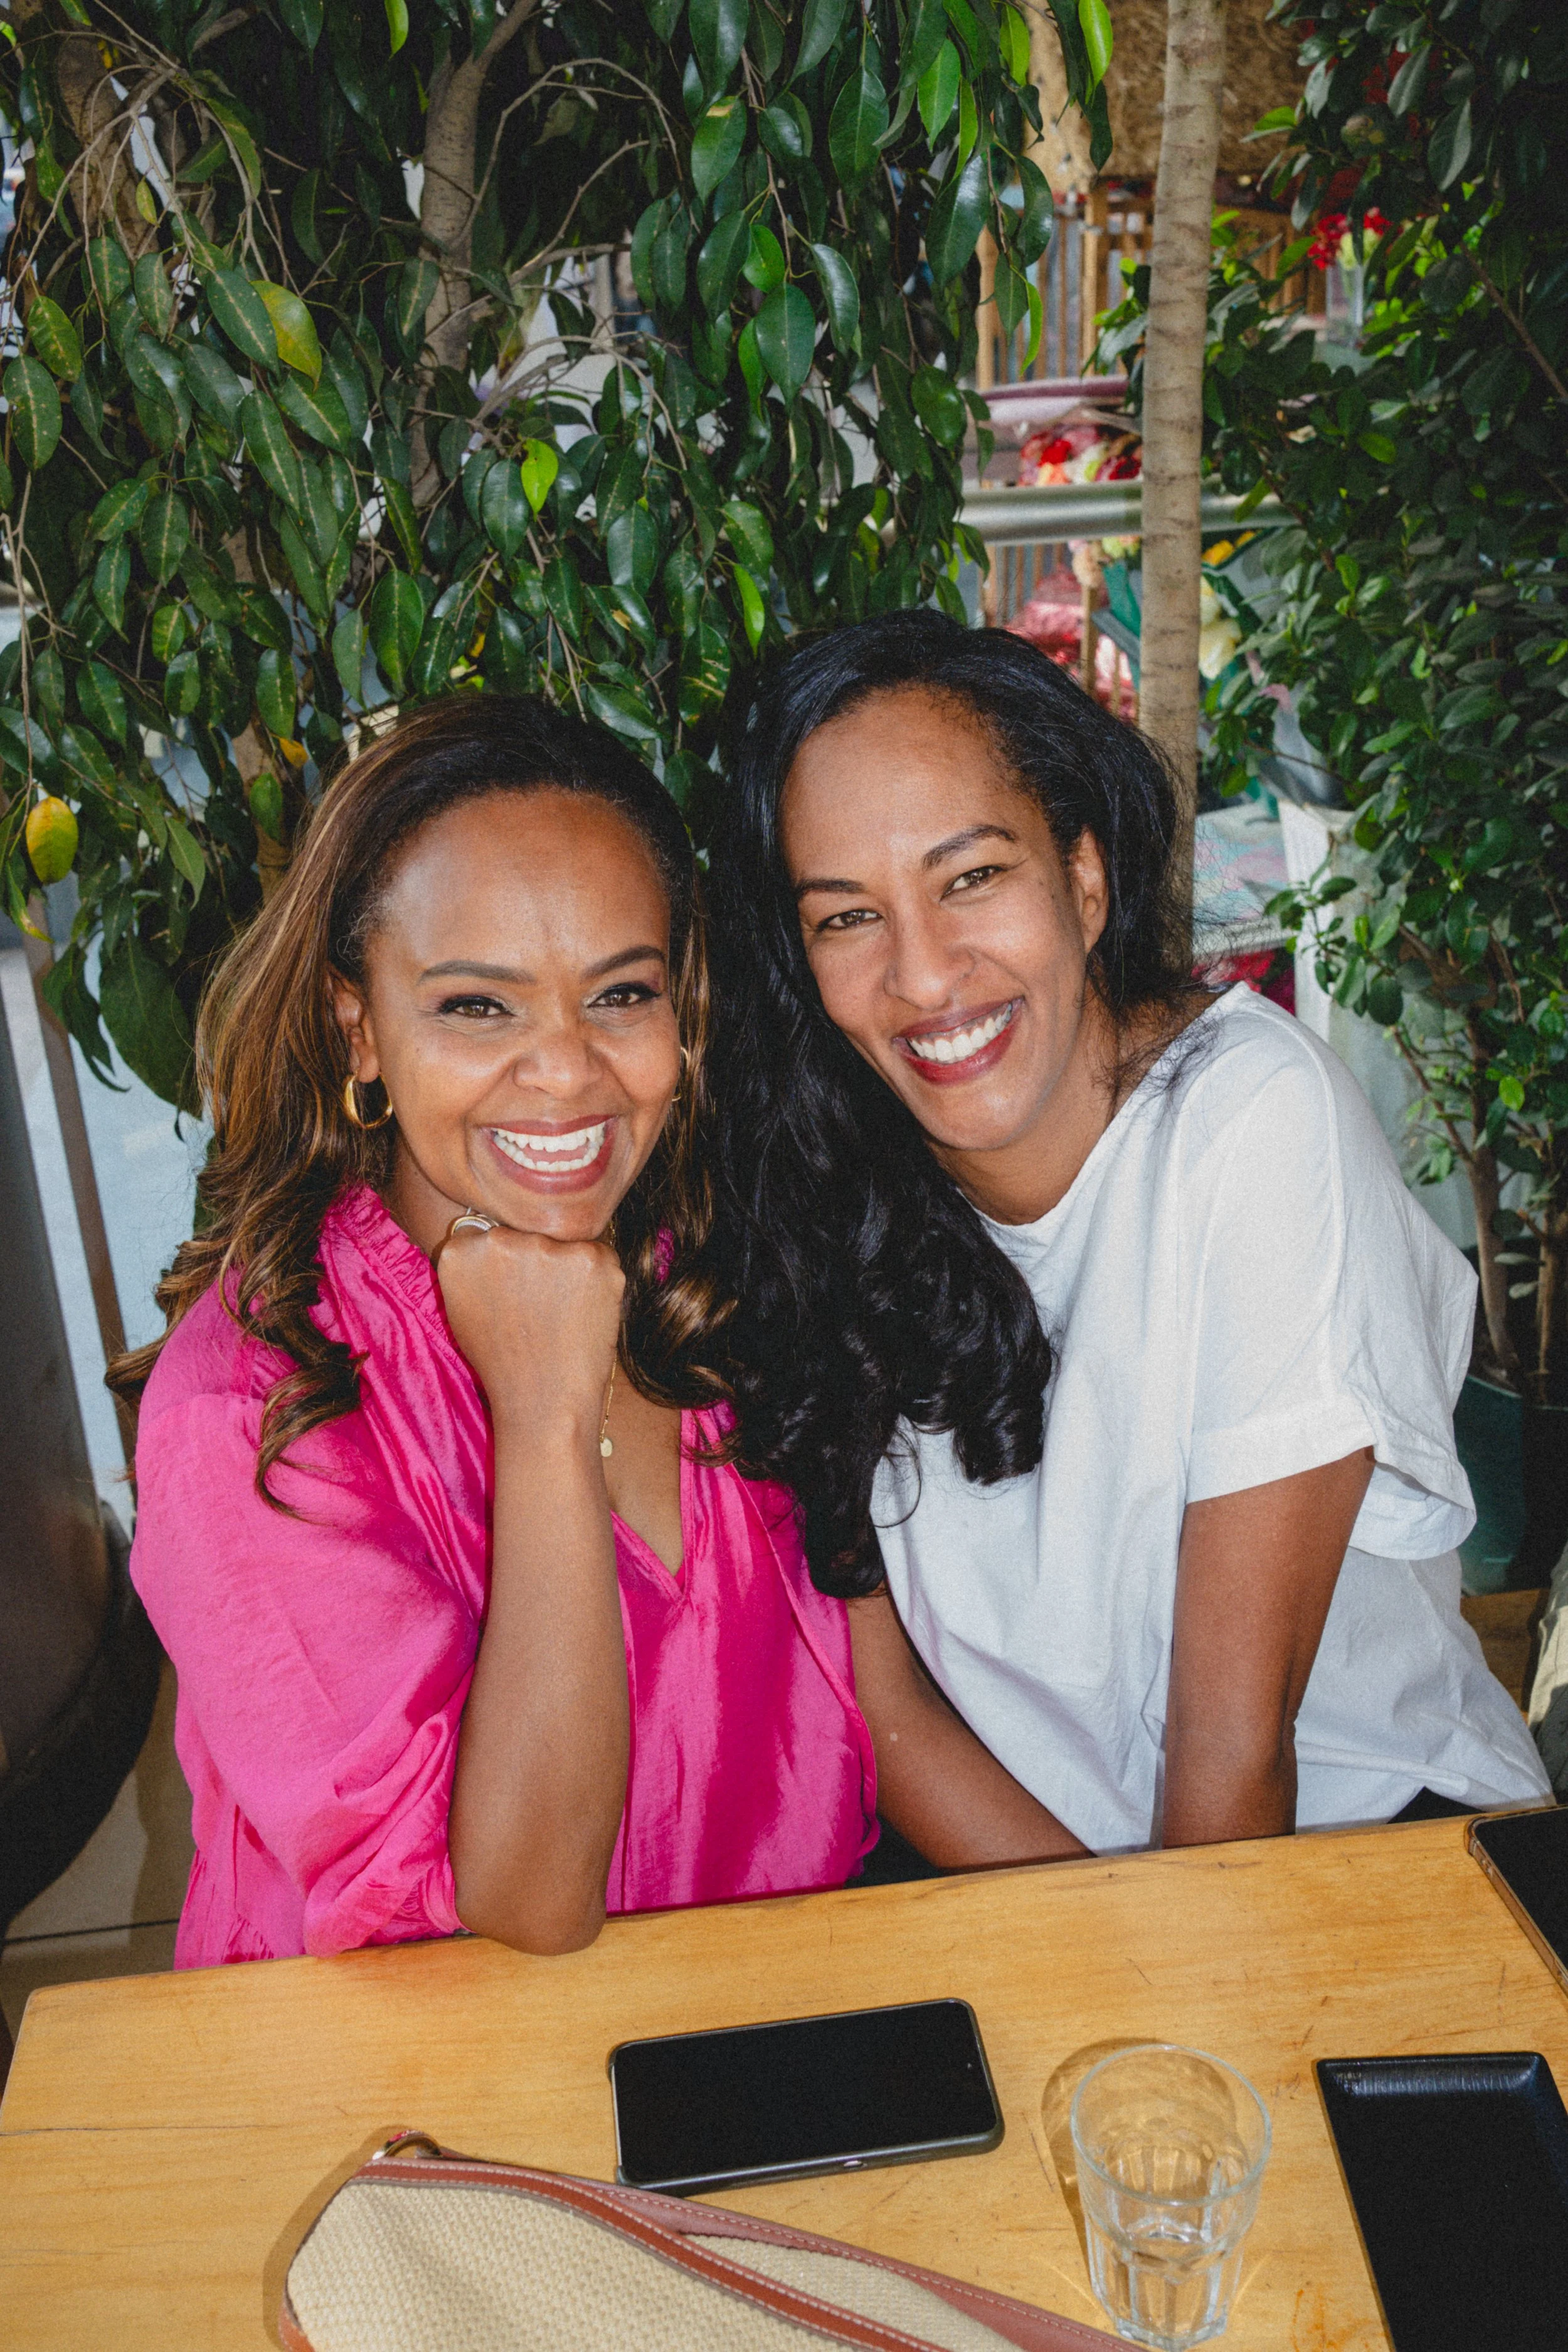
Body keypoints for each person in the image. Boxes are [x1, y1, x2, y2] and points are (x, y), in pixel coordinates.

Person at [117, 694, 1066, 1969]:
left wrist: (1139, 1946)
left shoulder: (708, 1269)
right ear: (361, 1028)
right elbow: (524, 1899)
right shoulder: (253, 1411)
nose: (564, 1073)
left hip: (762, 2033)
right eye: (477, 1008)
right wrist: (545, 1413)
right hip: (432, 2111)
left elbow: (880, 1713)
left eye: (618, 994)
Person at [709, 610, 1550, 1855]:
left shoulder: (1248, 1125)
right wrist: (1086, 1967)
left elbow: (1234, 1743)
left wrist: (1158, 2022)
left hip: (1363, 1857)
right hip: (1052, 1891)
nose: (925, 974)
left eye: (972, 877)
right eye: (845, 917)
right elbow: (884, 1706)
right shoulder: (807, 1187)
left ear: (1084, 878)